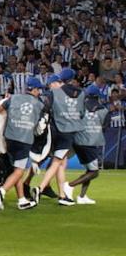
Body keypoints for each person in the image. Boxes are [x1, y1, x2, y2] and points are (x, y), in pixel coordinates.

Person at [34, 68, 83, 206]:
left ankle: (63, 196)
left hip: (54, 130)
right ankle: (40, 188)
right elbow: (82, 113)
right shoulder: (80, 93)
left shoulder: (54, 93)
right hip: (68, 131)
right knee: (57, 162)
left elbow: (46, 108)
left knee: (62, 163)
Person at [0, 75, 45, 209]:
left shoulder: (13, 98)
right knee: (19, 171)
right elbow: (40, 126)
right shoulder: (39, 104)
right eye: (38, 89)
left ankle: (22, 200)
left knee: (15, 169)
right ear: (34, 89)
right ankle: (2, 191)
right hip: (25, 139)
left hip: (9, 138)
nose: (39, 92)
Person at [68, 84, 108, 204]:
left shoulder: (79, 107)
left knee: (89, 170)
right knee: (94, 172)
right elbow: (104, 127)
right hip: (90, 142)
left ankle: (82, 196)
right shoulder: (104, 110)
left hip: (78, 141)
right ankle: (70, 185)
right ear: (98, 96)